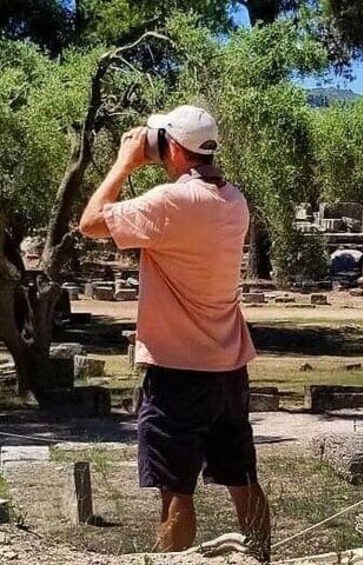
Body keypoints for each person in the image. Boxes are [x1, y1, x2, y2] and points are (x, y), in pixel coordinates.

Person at [79, 106, 271, 557]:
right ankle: (265, 558)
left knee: (176, 493)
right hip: (228, 367)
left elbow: (90, 223)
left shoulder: (172, 202)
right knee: (242, 479)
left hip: (176, 372)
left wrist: (125, 162)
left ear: (175, 148)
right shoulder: (234, 200)